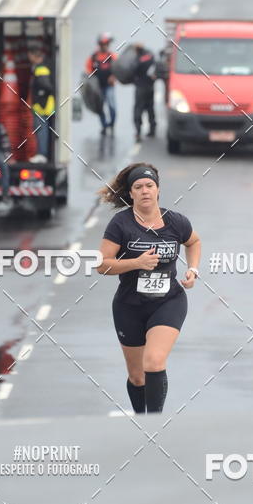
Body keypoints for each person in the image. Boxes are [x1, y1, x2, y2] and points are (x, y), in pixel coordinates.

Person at [98, 163, 201, 415]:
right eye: (138, 187)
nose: (145, 191)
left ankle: (155, 426)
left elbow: (194, 241)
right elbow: (102, 265)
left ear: (158, 190)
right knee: (137, 377)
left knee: (154, 361)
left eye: (149, 186)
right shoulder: (120, 224)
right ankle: (141, 421)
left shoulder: (175, 222)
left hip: (168, 302)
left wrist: (193, 269)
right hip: (129, 305)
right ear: (131, 193)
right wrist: (136, 263)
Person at [85, 33, 117, 134]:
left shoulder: (112, 57)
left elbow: (118, 70)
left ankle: (111, 124)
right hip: (98, 88)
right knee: (100, 106)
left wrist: (113, 77)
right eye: (103, 44)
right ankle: (104, 125)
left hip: (109, 86)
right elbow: (88, 72)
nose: (105, 46)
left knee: (112, 105)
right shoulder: (93, 58)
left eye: (106, 44)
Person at [28, 48, 55, 162]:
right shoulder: (44, 66)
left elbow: (47, 86)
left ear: (34, 56)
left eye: (30, 56)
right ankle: (42, 154)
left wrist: (40, 98)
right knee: (42, 129)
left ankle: (42, 154)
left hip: (42, 106)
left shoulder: (41, 69)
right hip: (44, 105)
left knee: (41, 129)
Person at [132, 44, 156, 140]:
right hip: (150, 87)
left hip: (140, 88)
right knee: (150, 109)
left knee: (138, 109)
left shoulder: (137, 60)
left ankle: (138, 132)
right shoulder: (150, 57)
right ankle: (152, 130)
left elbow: (132, 72)